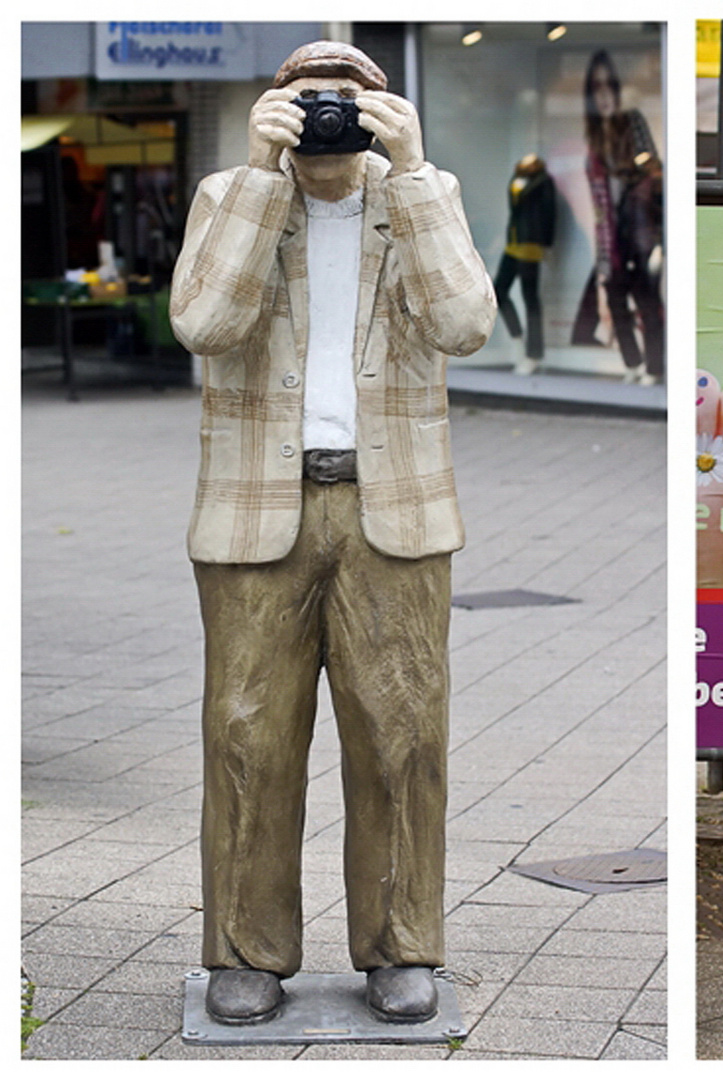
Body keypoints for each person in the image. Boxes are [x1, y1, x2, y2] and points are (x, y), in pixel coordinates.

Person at [169, 40, 495, 1026]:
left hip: (393, 509)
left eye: (348, 101)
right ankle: (243, 949)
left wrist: (420, 173)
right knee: (244, 736)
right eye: (307, 100)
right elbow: (204, 322)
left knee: (402, 736)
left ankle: (402, 947)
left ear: (382, 112)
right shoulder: (230, 193)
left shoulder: (418, 198)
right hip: (251, 510)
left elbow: (466, 324)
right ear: (274, 108)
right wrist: (263, 180)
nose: (327, 117)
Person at [571, 50, 663, 386]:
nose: (604, 95)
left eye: (609, 86)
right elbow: (599, 204)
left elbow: (654, 170)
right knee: (617, 302)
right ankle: (633, 364)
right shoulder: (594, 139)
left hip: (640, 233)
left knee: (648, 304)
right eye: (596, 89)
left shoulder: (632, 122)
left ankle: (654, 368)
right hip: (609, 239)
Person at [496, 153, 557, 374]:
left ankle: (534, 354)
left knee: (530, 297)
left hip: (531, 243)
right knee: (498, 291)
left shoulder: (543, 181)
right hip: (513, 242)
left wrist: (547, 244)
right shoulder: (517, 176)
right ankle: (517, 340)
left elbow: (550, 213)